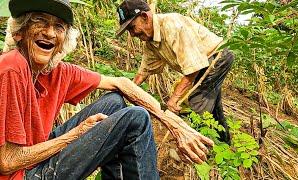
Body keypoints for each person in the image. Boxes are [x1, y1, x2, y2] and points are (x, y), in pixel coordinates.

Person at [0, 0, 213, 179]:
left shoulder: (57, 71)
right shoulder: (12, 67)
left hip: (38, 153)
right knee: (135, 118)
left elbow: (121, 83)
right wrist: (74, 135)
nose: (50, 33)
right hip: (22, 173)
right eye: (39, 21)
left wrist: (174, 123)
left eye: (58, 27)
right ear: (20, 32)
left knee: (114, 101)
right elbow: (8, 162)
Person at [116, 0, 234, 143]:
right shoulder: (151, 42)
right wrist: (127, 90)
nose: (132, 34)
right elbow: (144, 71)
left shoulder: (173, 25)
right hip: (202, 64)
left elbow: (193, 67)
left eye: (132, 27)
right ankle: (225, 143)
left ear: (145, 17)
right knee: (211, 102)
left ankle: (194, 151)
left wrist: (174, 99)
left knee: (193, 104)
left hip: (217, 58)